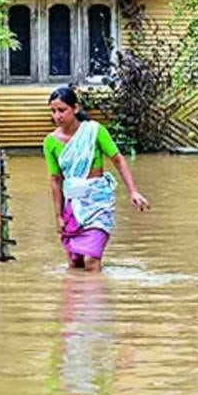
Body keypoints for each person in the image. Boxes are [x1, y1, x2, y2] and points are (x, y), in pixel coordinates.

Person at [44, 86, 149, 271]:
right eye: (53, 111)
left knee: (91, 262)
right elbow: (55, 180)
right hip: (73, 206)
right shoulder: (50, 142)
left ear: (75, 109)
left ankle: (95, 297)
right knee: (74, 263)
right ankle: (75, 298)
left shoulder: (94, 131)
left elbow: (118, 159)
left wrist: (133, 191)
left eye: (62, 110)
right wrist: (58, 216)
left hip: (97, 203)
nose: (57, 116)